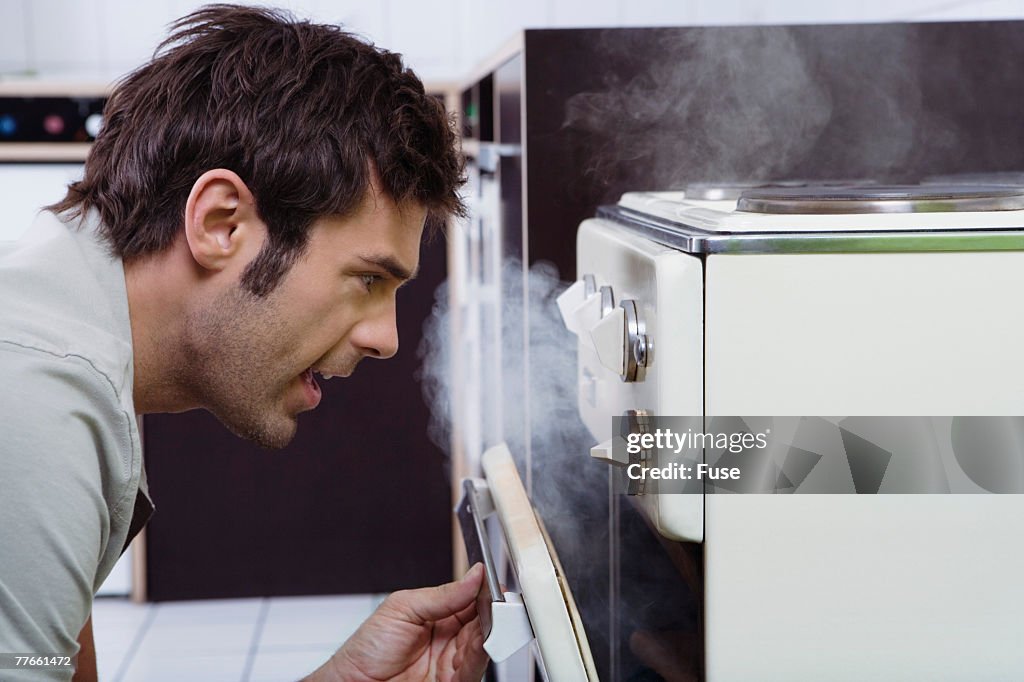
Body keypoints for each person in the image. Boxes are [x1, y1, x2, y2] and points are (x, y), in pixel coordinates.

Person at [0, 4, 486, 681]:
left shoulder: (74, 347)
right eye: (368, 279)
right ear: (222, 224)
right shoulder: (37, 401)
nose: (386, 339)